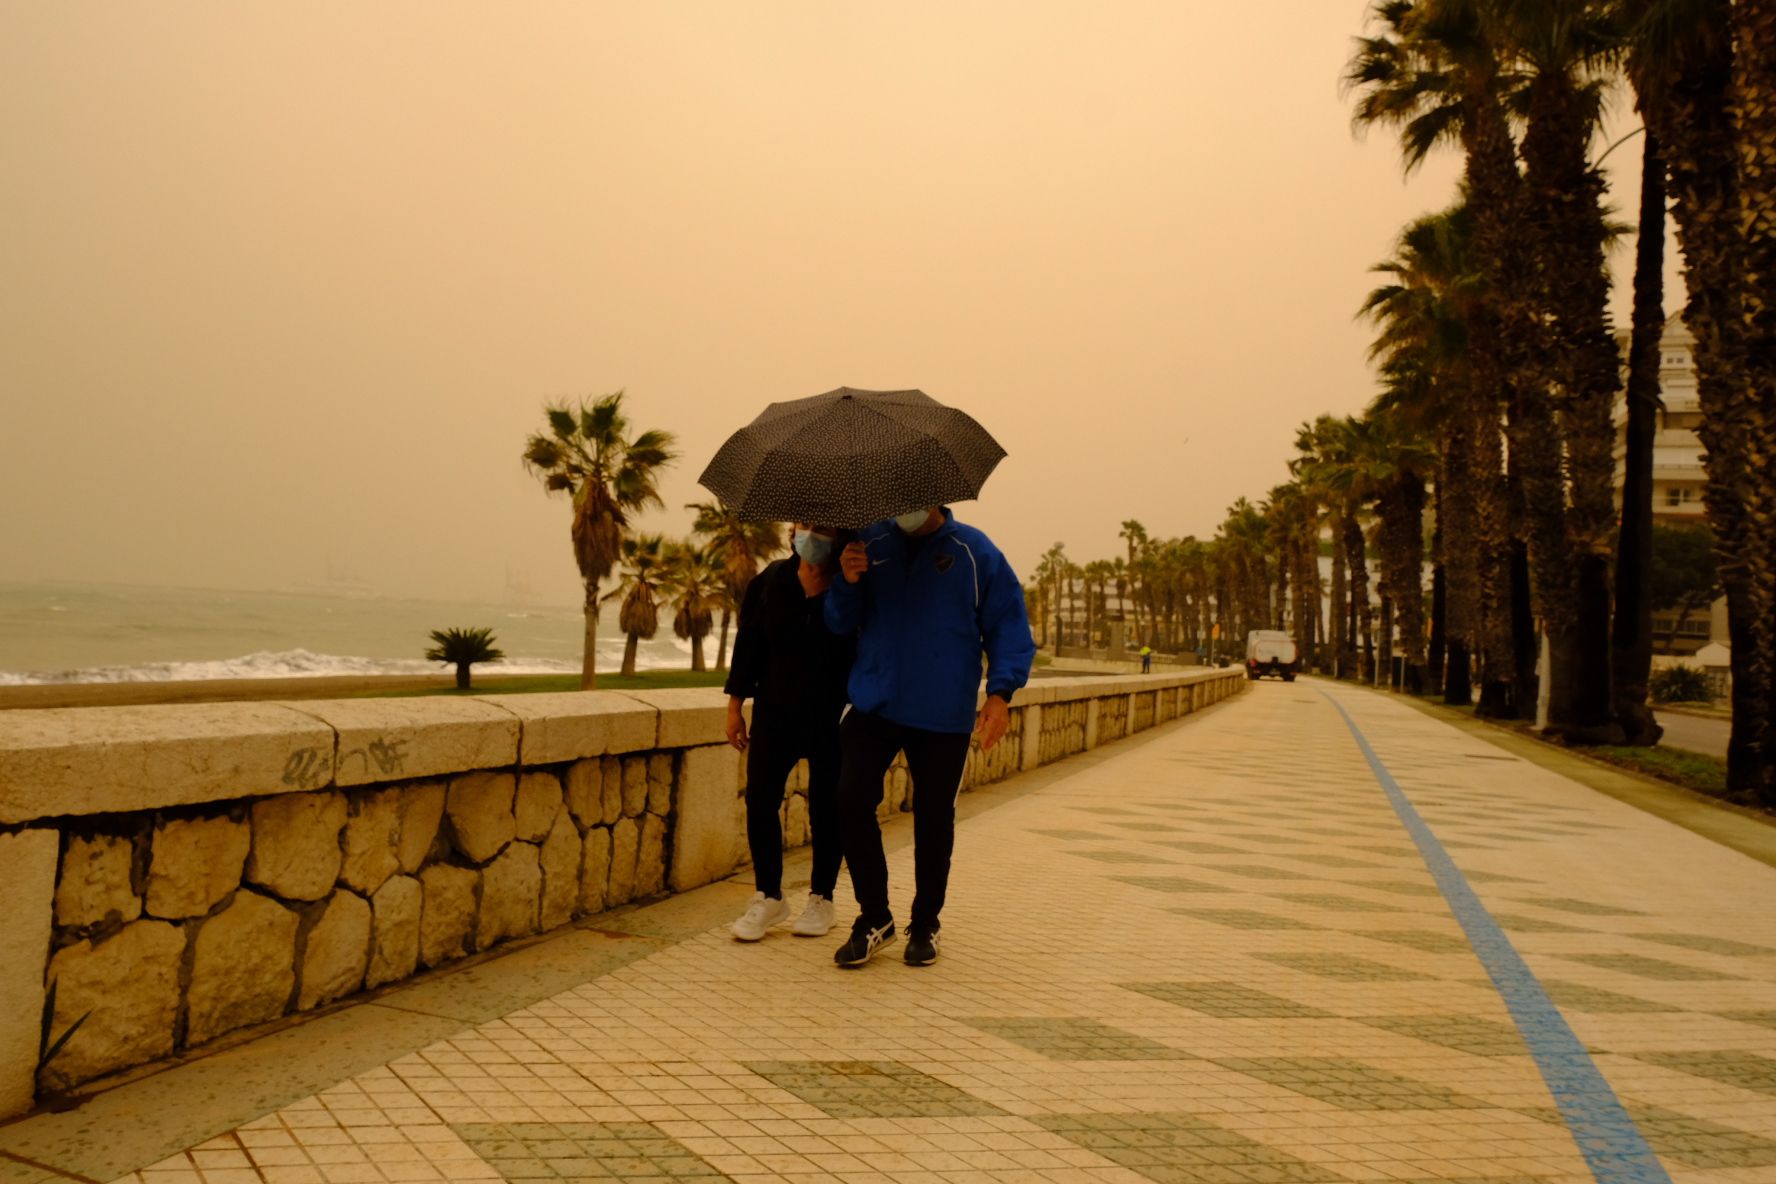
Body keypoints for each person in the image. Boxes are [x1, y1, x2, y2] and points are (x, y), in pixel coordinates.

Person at [825, 505, 1036, 968]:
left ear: (937, 494)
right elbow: (840, 623)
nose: (903, 509)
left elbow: (1008, 626)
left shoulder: (975, 552)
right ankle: (874, 917)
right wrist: (848, 581)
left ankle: (925, 924)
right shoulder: (868, 543)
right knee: (849, 798)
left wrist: (1000, 695)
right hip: (874, 702)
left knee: (934, 818)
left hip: (943, 712)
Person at [723, 523, 856, 941]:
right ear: (792, 531)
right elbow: (749, 647)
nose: (811, 536)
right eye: (804, 527)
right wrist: (734, 707)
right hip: (774, 711)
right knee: (761, 798)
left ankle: (822, 898)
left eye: (822, 530)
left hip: (831, 715)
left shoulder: (848, 586)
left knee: (825, 805)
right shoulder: (770, 580)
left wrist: (852, 584)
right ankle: (769, 896)